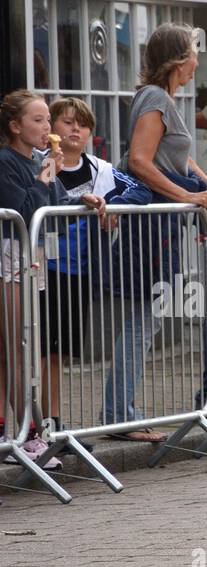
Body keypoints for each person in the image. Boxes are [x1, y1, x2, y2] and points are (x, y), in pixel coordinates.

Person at [0, 91, 108, 469]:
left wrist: (87, 201)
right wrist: (47, 176)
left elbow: (55, 208)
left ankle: (12, 432)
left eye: (48, 120)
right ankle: (27, 433)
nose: (47, 128)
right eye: (38, 121)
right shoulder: (8, 161)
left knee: (17, 350)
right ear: (15, 126)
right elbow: (25, 209)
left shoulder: (40, 160)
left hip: (33, 261)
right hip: (10, 262)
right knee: (16, 351)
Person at [46, 97, 164, 443]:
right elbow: (40, 196)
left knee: (61, 351)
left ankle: (52, 422)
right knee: (40, 350)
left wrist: (114, 205)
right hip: (43, 266)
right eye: (67, 122)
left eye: (82, 125)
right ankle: (38, 424)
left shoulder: (100, 168)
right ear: (52, 127)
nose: (75, 130)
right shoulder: (44, 163)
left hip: (80, 270)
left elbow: (141, 190)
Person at [125, 23, 207, 209]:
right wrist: (187, 196)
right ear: (177, 60)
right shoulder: (156, 97)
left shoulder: (159, 97)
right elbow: (138, 161)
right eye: (194, 54)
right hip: (153, 217)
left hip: (160, 215)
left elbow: (182, 158)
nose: (197, 62)